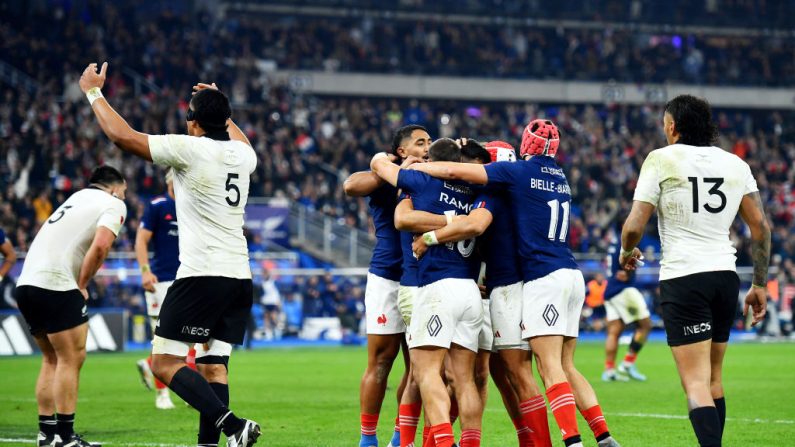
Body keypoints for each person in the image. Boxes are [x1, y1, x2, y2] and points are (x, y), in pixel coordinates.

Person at [79, 62, 260, 447]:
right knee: (214, 368)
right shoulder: (245, 157)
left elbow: (122, 136)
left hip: (201, 274)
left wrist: (93, 92)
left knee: (163, 363)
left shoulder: (189, 148)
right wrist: (218, 106)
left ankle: (233, 426)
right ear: (226, 121)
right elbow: (237, 137)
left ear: (193, 122)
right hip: (239, 276)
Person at [409, 120, 621, 447]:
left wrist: (429, 229)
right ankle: (590, 435)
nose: (473, 168)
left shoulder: (497, 190)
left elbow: (476, 223)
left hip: (511, 288)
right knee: (501, 372)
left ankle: (543, 443)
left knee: (515, 371)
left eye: (479, 163)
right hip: (538, 277)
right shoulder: (550, 179)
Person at [620, 94, 770, 447]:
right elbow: (761, 228)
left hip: (684, 278)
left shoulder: (660, 159)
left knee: (696, 384)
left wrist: (627, 250)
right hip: (725, 277)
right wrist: (759, 283)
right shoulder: (736, 164)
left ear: (672, 126)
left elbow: (633, 226)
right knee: (714, 379)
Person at [411, 141, 551, 447]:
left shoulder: (487, 194)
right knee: (494, 375)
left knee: (445, 374)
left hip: (490, 293)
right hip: (494, 291)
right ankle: (524, 438)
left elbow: (473, 226)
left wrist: (430, 236)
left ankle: (436, 442)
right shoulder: (521, 195)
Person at [371, 138, 483, 447]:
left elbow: (380, 167)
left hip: (435, 288)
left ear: (430, 159)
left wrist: (393, 159)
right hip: (470, 290)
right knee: (464, 380)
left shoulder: (421, 179)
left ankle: (438, 443)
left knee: (423, 373)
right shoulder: (474, 189)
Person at [15, 166, 128, 447]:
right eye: (123, 191)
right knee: (70, 359)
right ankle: (66, 438)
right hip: (57, 284)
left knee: (50, 359)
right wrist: (82, 283)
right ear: (114, 188)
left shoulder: (75, 198)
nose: (123, 196)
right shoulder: (113, 203)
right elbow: (101, 246)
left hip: (27, 283)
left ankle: (47, 434)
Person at [343, 124, 431, 447]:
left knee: (420, 364)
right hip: (386, 276)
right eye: (419, 142)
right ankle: (368, 439)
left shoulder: (433, 177)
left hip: (423, 278)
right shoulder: (386, 176)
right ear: (402, 151)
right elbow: (351, 185)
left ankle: (400, 435)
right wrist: (388, 170)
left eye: (429, 142)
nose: (426, 147)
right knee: (381, 360)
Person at [134, 169, 185, 409]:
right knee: (163, 339)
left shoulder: (191, 206)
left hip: (186, 280)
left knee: (186, 339)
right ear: (170, 182)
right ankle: (162, 396)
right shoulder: (157, 205)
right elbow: (141, 241)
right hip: (161, 280)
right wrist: (145, 271)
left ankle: (149, 364)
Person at [601, 231, 652, 382]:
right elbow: (625, 261)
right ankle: (628, 363)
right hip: (623, 288)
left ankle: (609, 370)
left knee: (614, 332)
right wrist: (627, 274)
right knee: (645, 325)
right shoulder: (625, 239)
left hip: (609, 289)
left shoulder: (613, 241)